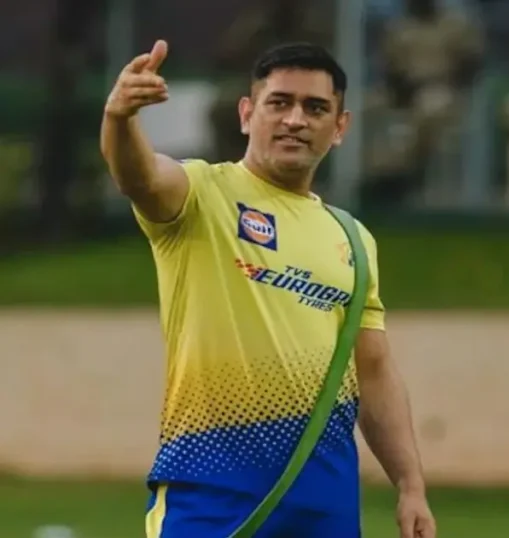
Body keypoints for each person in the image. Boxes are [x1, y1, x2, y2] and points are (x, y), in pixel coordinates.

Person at [99, 40, 437, 538]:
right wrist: (119, 119)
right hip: (211, 492)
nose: (295, 120)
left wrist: (411, 485)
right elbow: (140, 177)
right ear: (246, 113)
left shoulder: (352, 239)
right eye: (279, 103)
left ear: (339, 127)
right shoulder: (202, 195)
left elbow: (375, 369)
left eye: (315, 108)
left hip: (326, 504)